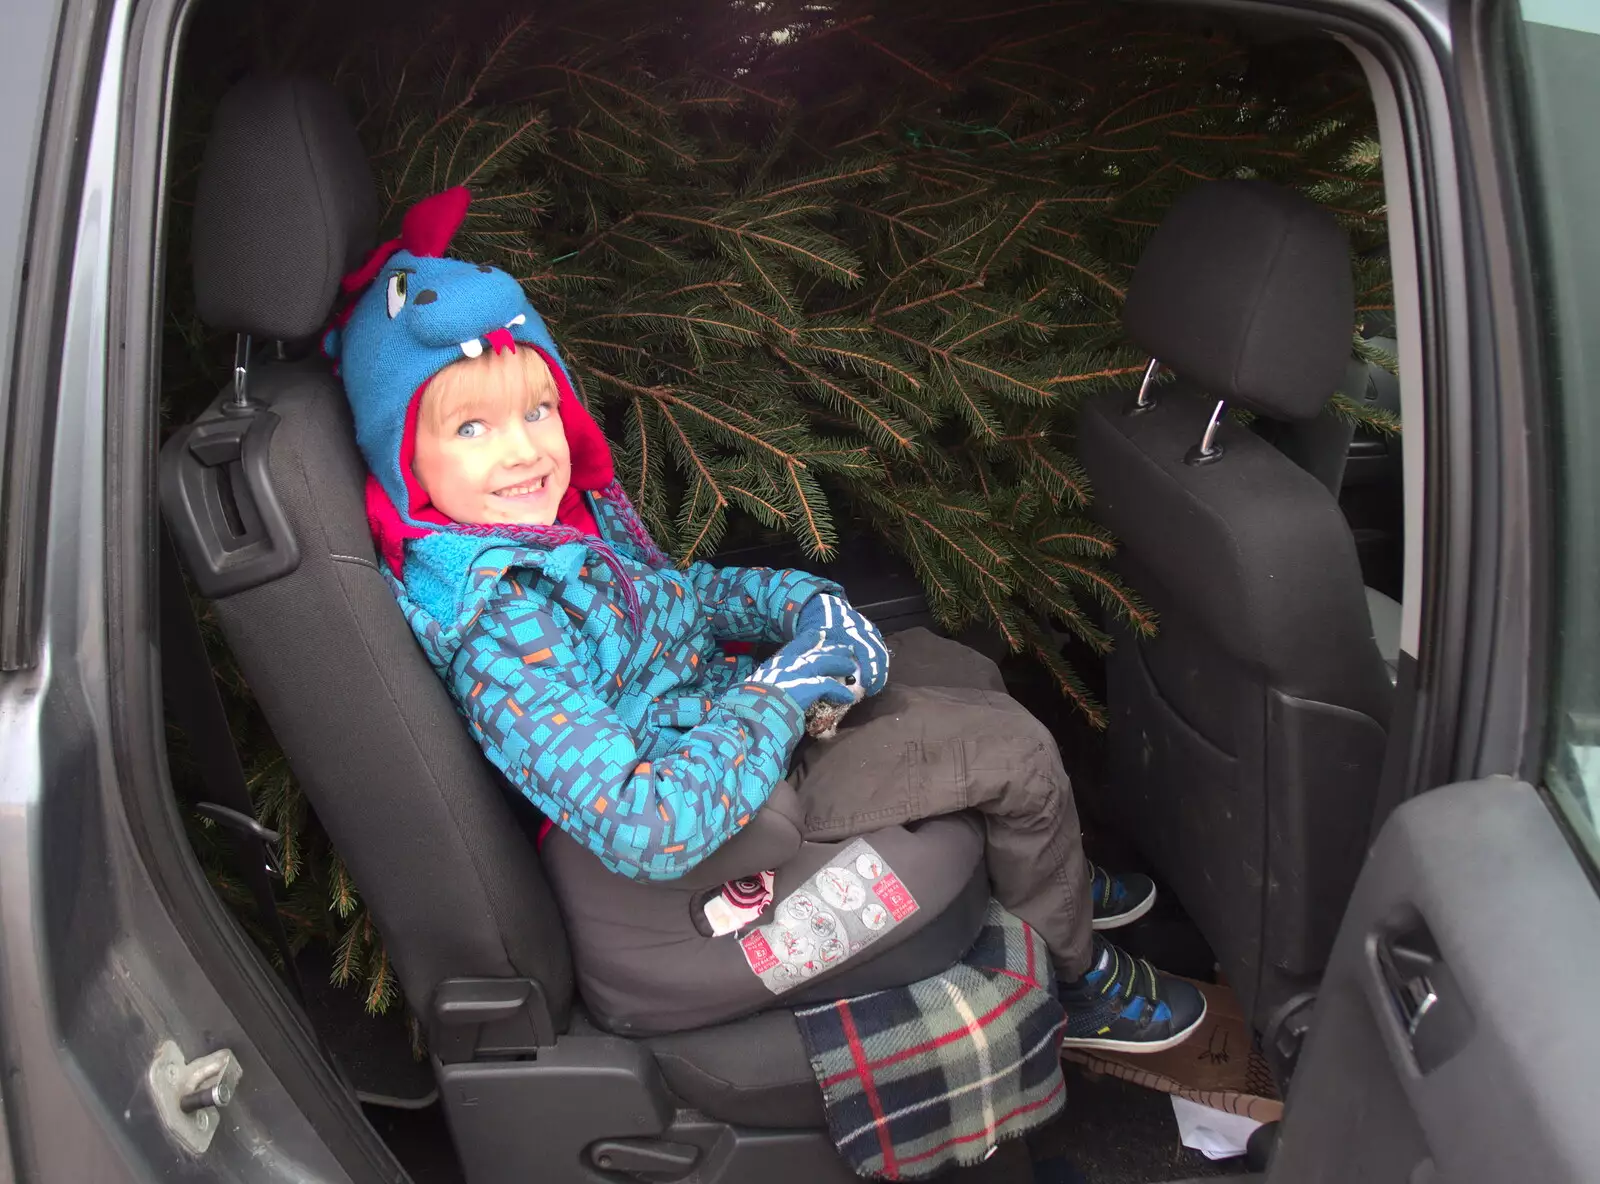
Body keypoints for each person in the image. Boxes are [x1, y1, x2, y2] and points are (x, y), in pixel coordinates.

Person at [326, 187, 1206, 1052]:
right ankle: (1078, 975)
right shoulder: (501, 623)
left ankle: (1048, 871)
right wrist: (784, 692)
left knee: (952, 664)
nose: (523, 449)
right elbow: (646, 822)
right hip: (729, 815)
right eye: (472, 429)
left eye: (538, 409)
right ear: (403, 455)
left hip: (720, 729)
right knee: (1016, 755)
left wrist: (803, 606)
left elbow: (676, 599)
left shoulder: (547, 536)